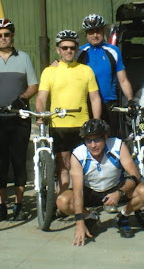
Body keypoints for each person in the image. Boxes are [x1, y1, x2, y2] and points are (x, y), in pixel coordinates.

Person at [0, 19, 39, 222]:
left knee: (19, 160)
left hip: (19, 117)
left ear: (12, 36)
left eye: (7, 34)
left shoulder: (24, 58)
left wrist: (23, 98)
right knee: (0, 162)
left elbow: (34, 85)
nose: (3, 38)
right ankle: (1, 205)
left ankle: (19, 205)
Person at [56, 119, 144, 245]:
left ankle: (123, 216)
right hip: (90, 192)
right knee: (63, 201)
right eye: (88, 140)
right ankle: (91, 217)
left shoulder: (117, 145)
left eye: (97, 139)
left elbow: (135, 176)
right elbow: (78, 191)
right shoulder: (78, 154)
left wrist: (120, 193)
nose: (93, 145)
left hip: (116, 188)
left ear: (105, 137)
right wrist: (79, 222)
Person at [35, 30, 101, 192]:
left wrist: (96, 121)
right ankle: (63, 198)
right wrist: (40, 114)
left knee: (82, 165)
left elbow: (95, 98)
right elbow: (41, 97)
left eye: (72, 47)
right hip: (59, 125)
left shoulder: (86, 70)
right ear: (58, 50)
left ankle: (84, 199)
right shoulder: (49, 71)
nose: (68, 51)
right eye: (64, 48)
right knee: (62, 164)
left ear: (77, 49)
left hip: (82, 125)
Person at [77, 14, 136, 135]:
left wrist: (130, 100)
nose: (95, 35)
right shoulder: (80, 53)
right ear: (86, 34)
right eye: (91, 31)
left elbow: (123, 80)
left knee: (110, 140)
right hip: (86, 104)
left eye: (98, 31)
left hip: (109, 104)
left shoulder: (113, 51)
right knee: (87, 141)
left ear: (103, 31)